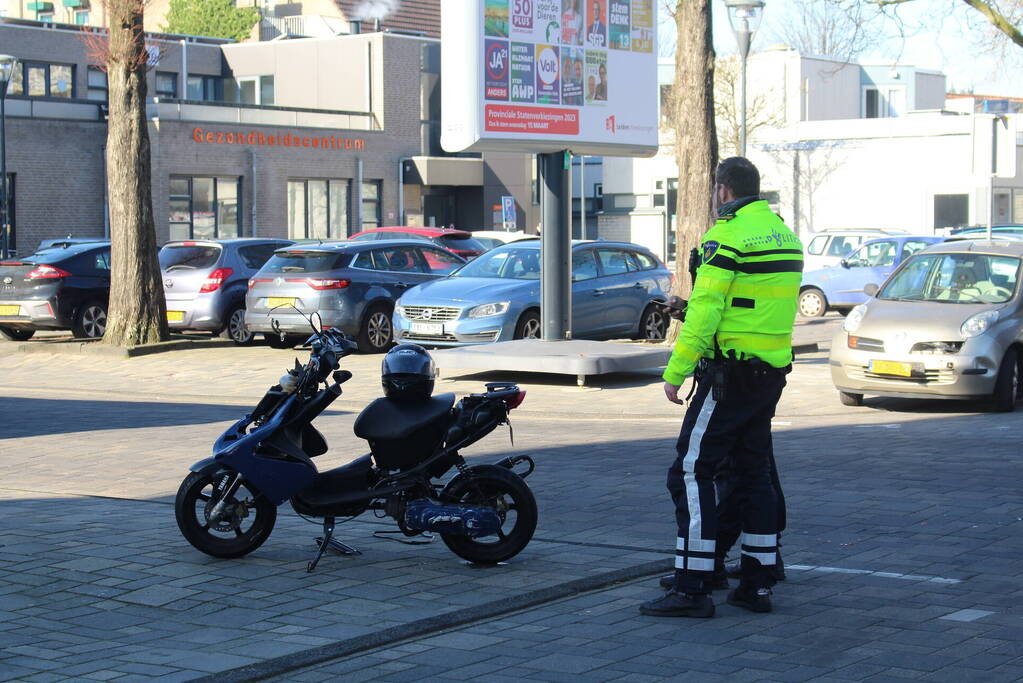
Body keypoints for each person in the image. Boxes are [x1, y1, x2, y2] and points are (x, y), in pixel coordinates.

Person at [639, 157, 803, 619]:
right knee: (752, 474)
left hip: (728, 376)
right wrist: (688, 309)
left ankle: (693, 586)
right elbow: (750, 307)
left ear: (723, 191)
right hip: (769, 373)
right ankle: (758, 580)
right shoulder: (783, 235)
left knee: (691, 473)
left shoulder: (725, 238)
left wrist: (676, 372)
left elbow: (712, 314)